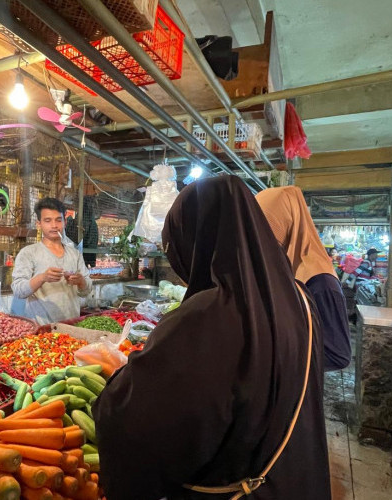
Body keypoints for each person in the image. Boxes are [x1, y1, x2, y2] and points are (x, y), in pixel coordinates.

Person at [93, 177, 330, 500]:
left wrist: (121, 384)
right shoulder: (300, 301)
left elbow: (141, 426)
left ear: (197, 239)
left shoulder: (208, 317)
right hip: (290, 478)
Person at [256, 187, 351, 372]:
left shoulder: (321, 282)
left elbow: (337, 354)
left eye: (268, 229)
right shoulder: (286, 269)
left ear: (289, 224)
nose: (261, 239)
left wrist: (268, 357)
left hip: (299, 391)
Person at [11, 197, 92, 324]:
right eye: (47, 220)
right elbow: (18, 291)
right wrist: (42, 278)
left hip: (72, 326)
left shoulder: (75, 254)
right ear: (39, 224)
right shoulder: (28, 253)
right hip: (41, 330)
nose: (54, 225)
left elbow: (86, 291)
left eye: (58, 220)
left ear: (64, 222)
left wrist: (81, 281)